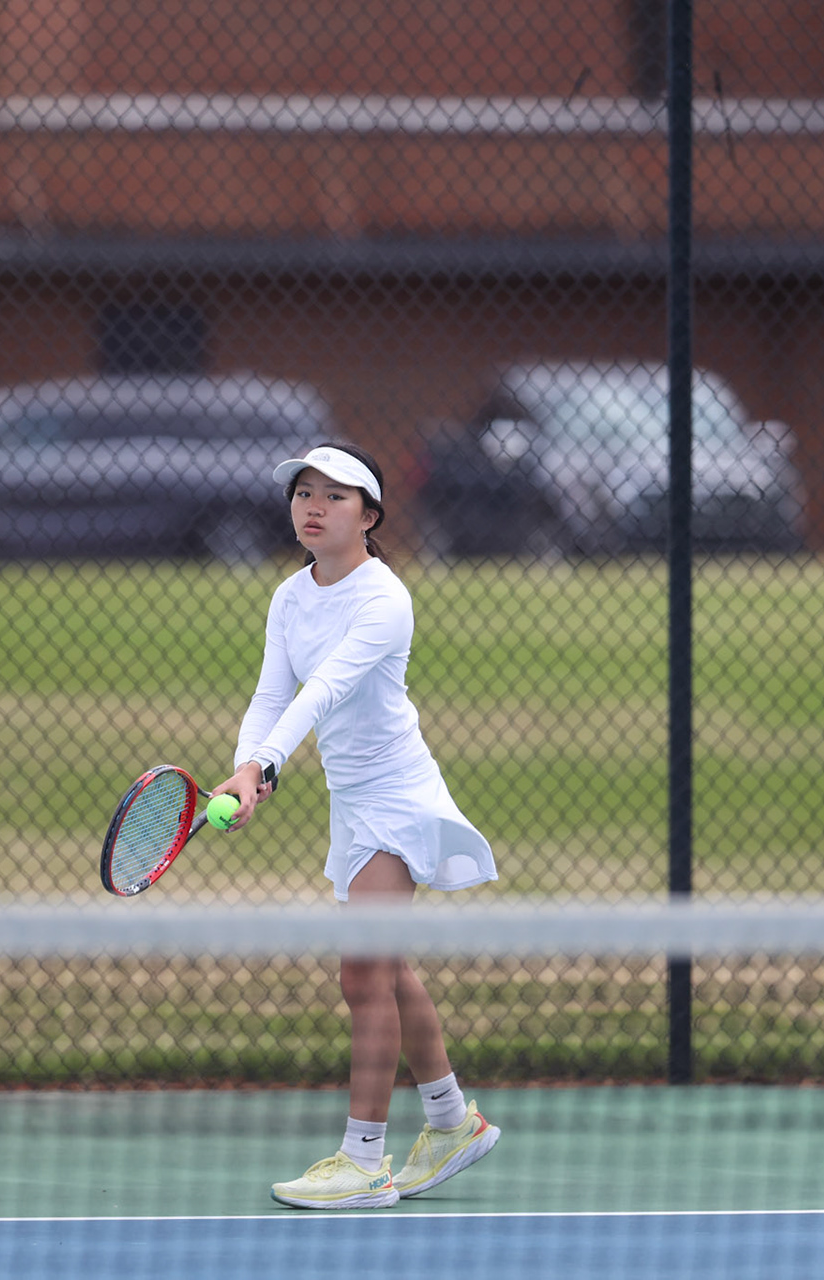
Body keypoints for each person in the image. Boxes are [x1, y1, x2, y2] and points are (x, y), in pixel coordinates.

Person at [210, 441, 501, 1210]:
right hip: (353, 801)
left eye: (335, 496)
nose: (313, 505)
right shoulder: (287, 596)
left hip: (400, 797)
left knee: (363, 972)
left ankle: (364, 1161)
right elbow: (273, 694)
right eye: (304, 492)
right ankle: (451, 1123)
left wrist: (264, 767)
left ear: (369, 516)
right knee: (387, 968)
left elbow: (325, 691)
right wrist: (248, 766)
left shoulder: (384, 598)